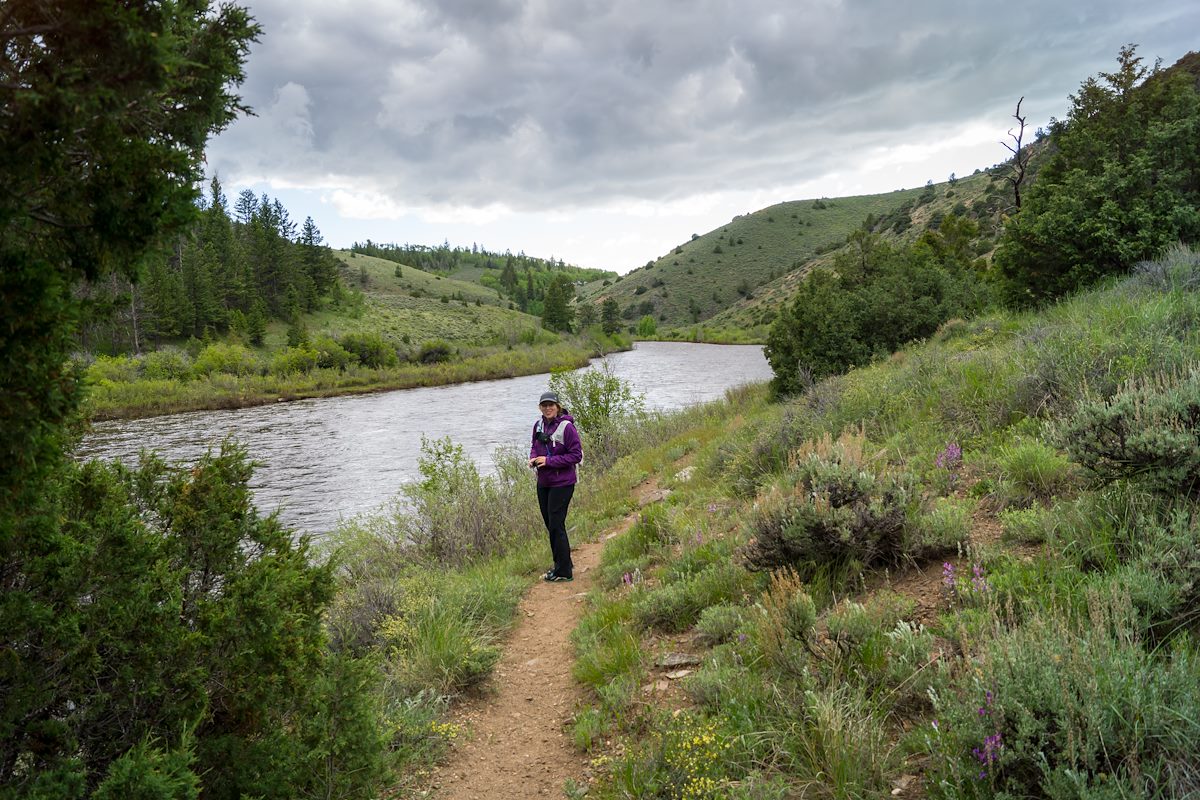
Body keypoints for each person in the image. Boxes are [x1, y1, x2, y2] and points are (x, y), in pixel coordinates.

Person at [528, 390, 582, 582]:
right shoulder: (538, 425)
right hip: (544, 483)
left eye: (551, 405)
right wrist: (533, 458)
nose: (548, 408)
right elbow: (535, 445)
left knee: (556, 525)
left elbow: (576, 456)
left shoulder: (567, 427)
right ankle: (563, 562)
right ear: (540, 408)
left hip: (563, 483)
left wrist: (549, 461)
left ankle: (563, 572)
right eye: (544, 405)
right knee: (551, 525)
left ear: (558, 407)